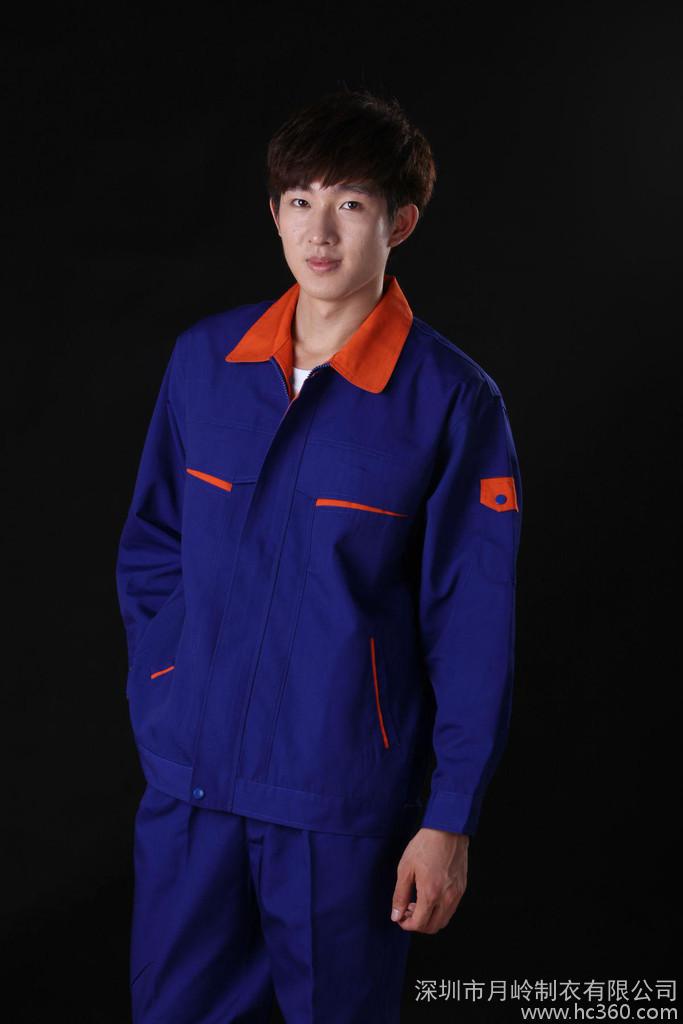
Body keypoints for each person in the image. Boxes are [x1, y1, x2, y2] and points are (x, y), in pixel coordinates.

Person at [116, 86, 523, 1023]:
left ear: (400, 222)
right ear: (274, 213)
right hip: (192, 788)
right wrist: (168, 681)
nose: (320, 231)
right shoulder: (204, 362)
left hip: (339, 805)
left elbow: (473, 625)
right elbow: (152, 546)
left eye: (351, 204)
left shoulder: (451, 403)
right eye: (299, 201)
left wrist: (448, 817)